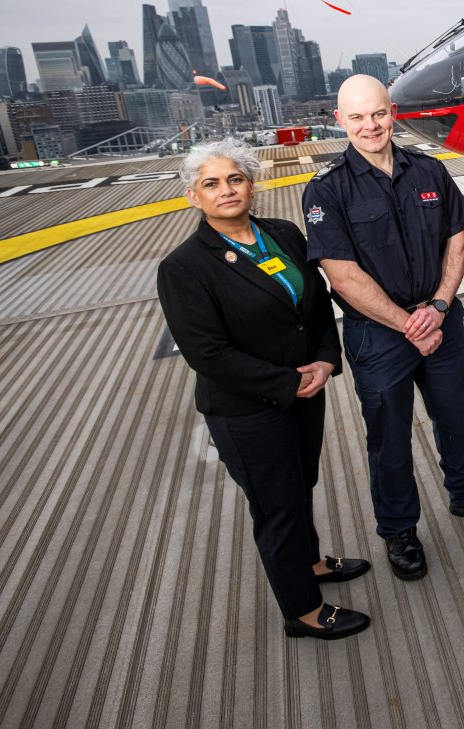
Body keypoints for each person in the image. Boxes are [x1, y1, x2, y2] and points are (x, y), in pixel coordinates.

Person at [301, 75, 464, 585]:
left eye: (377, 114)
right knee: (389, 437)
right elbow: (343, 276)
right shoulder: (326, 191)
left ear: (391, 112)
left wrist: (438, 307)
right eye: (356, 117)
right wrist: (408, 324)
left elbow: (457, 242)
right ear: (340, 121)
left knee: (456, 417)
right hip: (379, 336)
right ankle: (399, 528)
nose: (370, 125)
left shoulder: (430, 171)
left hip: (440, 320)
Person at [156, 138, 370, 641]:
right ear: (193, 196)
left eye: (235, 179)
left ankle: (311, 562)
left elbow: (316, 302)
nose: (226, 190)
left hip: (304, 390)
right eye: (211, 184)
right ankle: (304, 611)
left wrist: (324, 358)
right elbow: (207, 354)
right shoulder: (184, 267)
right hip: (247, 410)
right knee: (277, 508)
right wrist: (287, 381)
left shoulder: (282, 234)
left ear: (251, 183)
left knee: (300, 487)